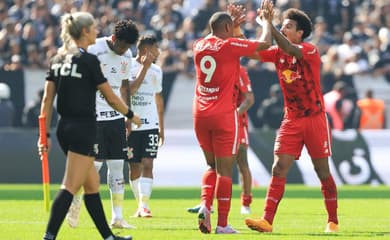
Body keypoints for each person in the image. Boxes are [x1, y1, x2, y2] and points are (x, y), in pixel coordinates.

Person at [38, 12, 141, 240]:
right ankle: (49, 236)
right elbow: (112, 98)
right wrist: (132, 116)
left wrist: (42, 134)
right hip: (85, 127)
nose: (97, 31)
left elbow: (46, 100)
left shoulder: (57, 59)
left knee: (92, 185)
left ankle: (108, 236)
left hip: (63, 127)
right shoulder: (89, 60)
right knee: (70, 186)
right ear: (84, 32)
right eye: (93, 27)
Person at [245, 8, 339, 233]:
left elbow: (287, 47)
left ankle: (333, 220)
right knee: (278, 168)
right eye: (283, 26)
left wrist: (270, 24)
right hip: (292, 120)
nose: (284, 29)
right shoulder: (278, 53)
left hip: (315, 119)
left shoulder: (310, 50)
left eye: (288, 26)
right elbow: (253, 51)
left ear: (300, 33)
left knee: (322, 171)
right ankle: (267, 221)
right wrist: (237, 30)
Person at [192, 2, 273, 234]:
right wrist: (266, 21)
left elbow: (217, 34)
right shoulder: (229, 46)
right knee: (225, 171)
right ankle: (223, 224)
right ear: (227, 28)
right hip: (224, 115)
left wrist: (233, 27)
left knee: (210, 165)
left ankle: (205, 205)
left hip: (200, 113)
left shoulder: (198, 45)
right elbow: (264, 44)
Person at [66, 19, 154, 229]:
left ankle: (117, 217)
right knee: (94, 166)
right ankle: (75, 201)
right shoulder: (94, 48)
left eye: (127, 48)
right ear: (114, 39)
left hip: (115, 118)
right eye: (122, 46)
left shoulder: (127, 54)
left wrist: (128, 116)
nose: (124, 51)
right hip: (93, 118)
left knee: (117, 167)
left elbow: (124, 88)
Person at [186, 65, 255, 215]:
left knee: (241, 162)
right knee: (214, 164)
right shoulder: (216, 69)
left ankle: (245, 203)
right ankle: (207, 204)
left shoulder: (239, 70)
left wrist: (234, 114)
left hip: (237, 122)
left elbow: (249, 99)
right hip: (219, 120)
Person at [127, 35, 164, 218]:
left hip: (150, 124)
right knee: (134, 167)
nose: (158, 52)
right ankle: (139, 204)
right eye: (155, 48)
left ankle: (144, 205)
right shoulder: (129, 66)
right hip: (131, 125)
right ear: (145, 50)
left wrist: (161, 128)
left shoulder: (157, 71)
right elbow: (131, 90)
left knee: (148, 163)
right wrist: (144, 69)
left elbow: (158, 99)